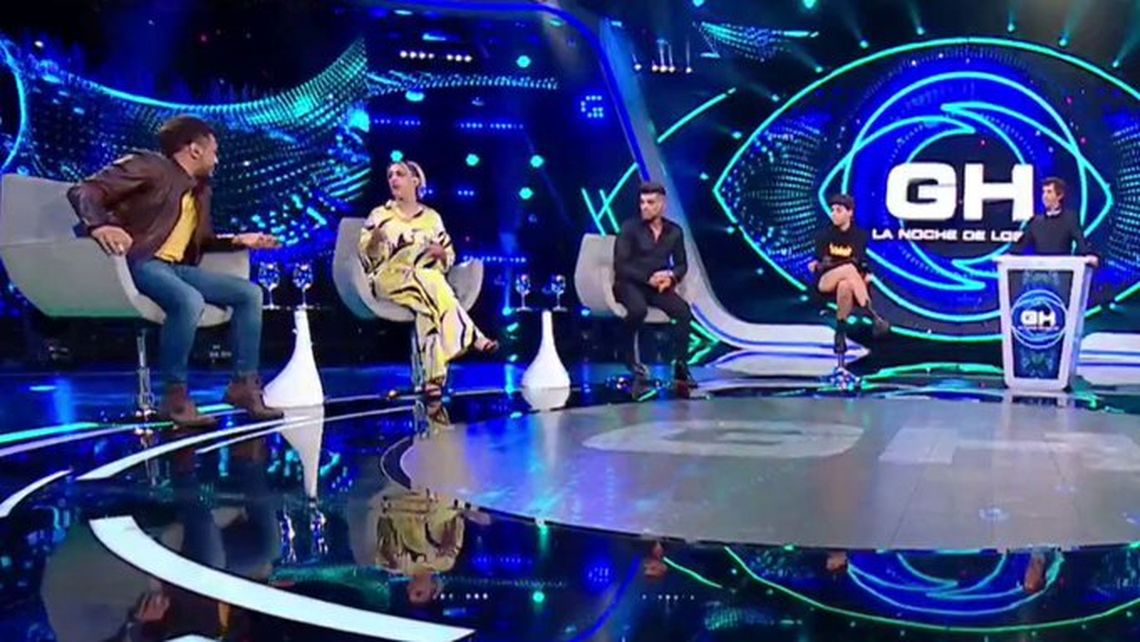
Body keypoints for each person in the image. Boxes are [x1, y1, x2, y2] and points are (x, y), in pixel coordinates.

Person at [67, 115, 282, 427]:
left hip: (177, 268)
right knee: (189, 300)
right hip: (142, 261)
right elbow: (83, 190)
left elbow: (200, 241)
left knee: (250, 293)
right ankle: (175, 397)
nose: (217, 160)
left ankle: (244, 386)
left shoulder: (200, 191)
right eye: (214, 152)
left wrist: (237, 240)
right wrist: (100, 225)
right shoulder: (150, 166)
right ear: (194, 149)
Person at [358, 160, 497, 398]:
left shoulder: (432, 218)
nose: (393, 179)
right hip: (389, 278)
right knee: (433, 282)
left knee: (427, 309)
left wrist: (441, 253)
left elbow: (449, 256)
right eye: (390, 175)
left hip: (425, 282)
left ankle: (433, 380)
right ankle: (472, 335)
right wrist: (375, 241)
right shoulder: (380, 215)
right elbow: (366, 258)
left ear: (415, 181)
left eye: (400, 174)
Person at [612, 181, 695, 386]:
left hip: (658, 287)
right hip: (630, 283)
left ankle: (681, 365)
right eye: (642, 202)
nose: (645, 207)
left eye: (650, 203)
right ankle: (628, 356)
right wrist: (647, 278)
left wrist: (671, 277)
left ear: (662, 204)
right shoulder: (629, 228)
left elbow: (682, 264)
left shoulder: (674, 231)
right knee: (638, 310)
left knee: (684, 312)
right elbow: (621, 265)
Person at [809, 194, 890, 354]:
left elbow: (860, 261)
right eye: (832, 210)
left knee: (845, 285)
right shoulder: (824, 235)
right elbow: (823, 264)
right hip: (825, 280)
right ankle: (873, 316)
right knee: (848, 269)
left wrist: (860, 270)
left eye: (838, 210)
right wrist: (845, 265)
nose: (834, 214)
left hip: (848, 281)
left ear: (849, 213)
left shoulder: (859, 236)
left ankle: (840, 333)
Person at [1010, 177, 1099, 266]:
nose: (1044, 196)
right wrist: (1010, 255)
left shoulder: (1070, 219)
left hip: (1063, 269)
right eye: (1043, 192)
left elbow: (1080, 242)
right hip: (1040, 269)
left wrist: (1089, 255)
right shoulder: (1035, 222)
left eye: (1049, 192)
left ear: (1060, 195)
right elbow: (1020, 245)